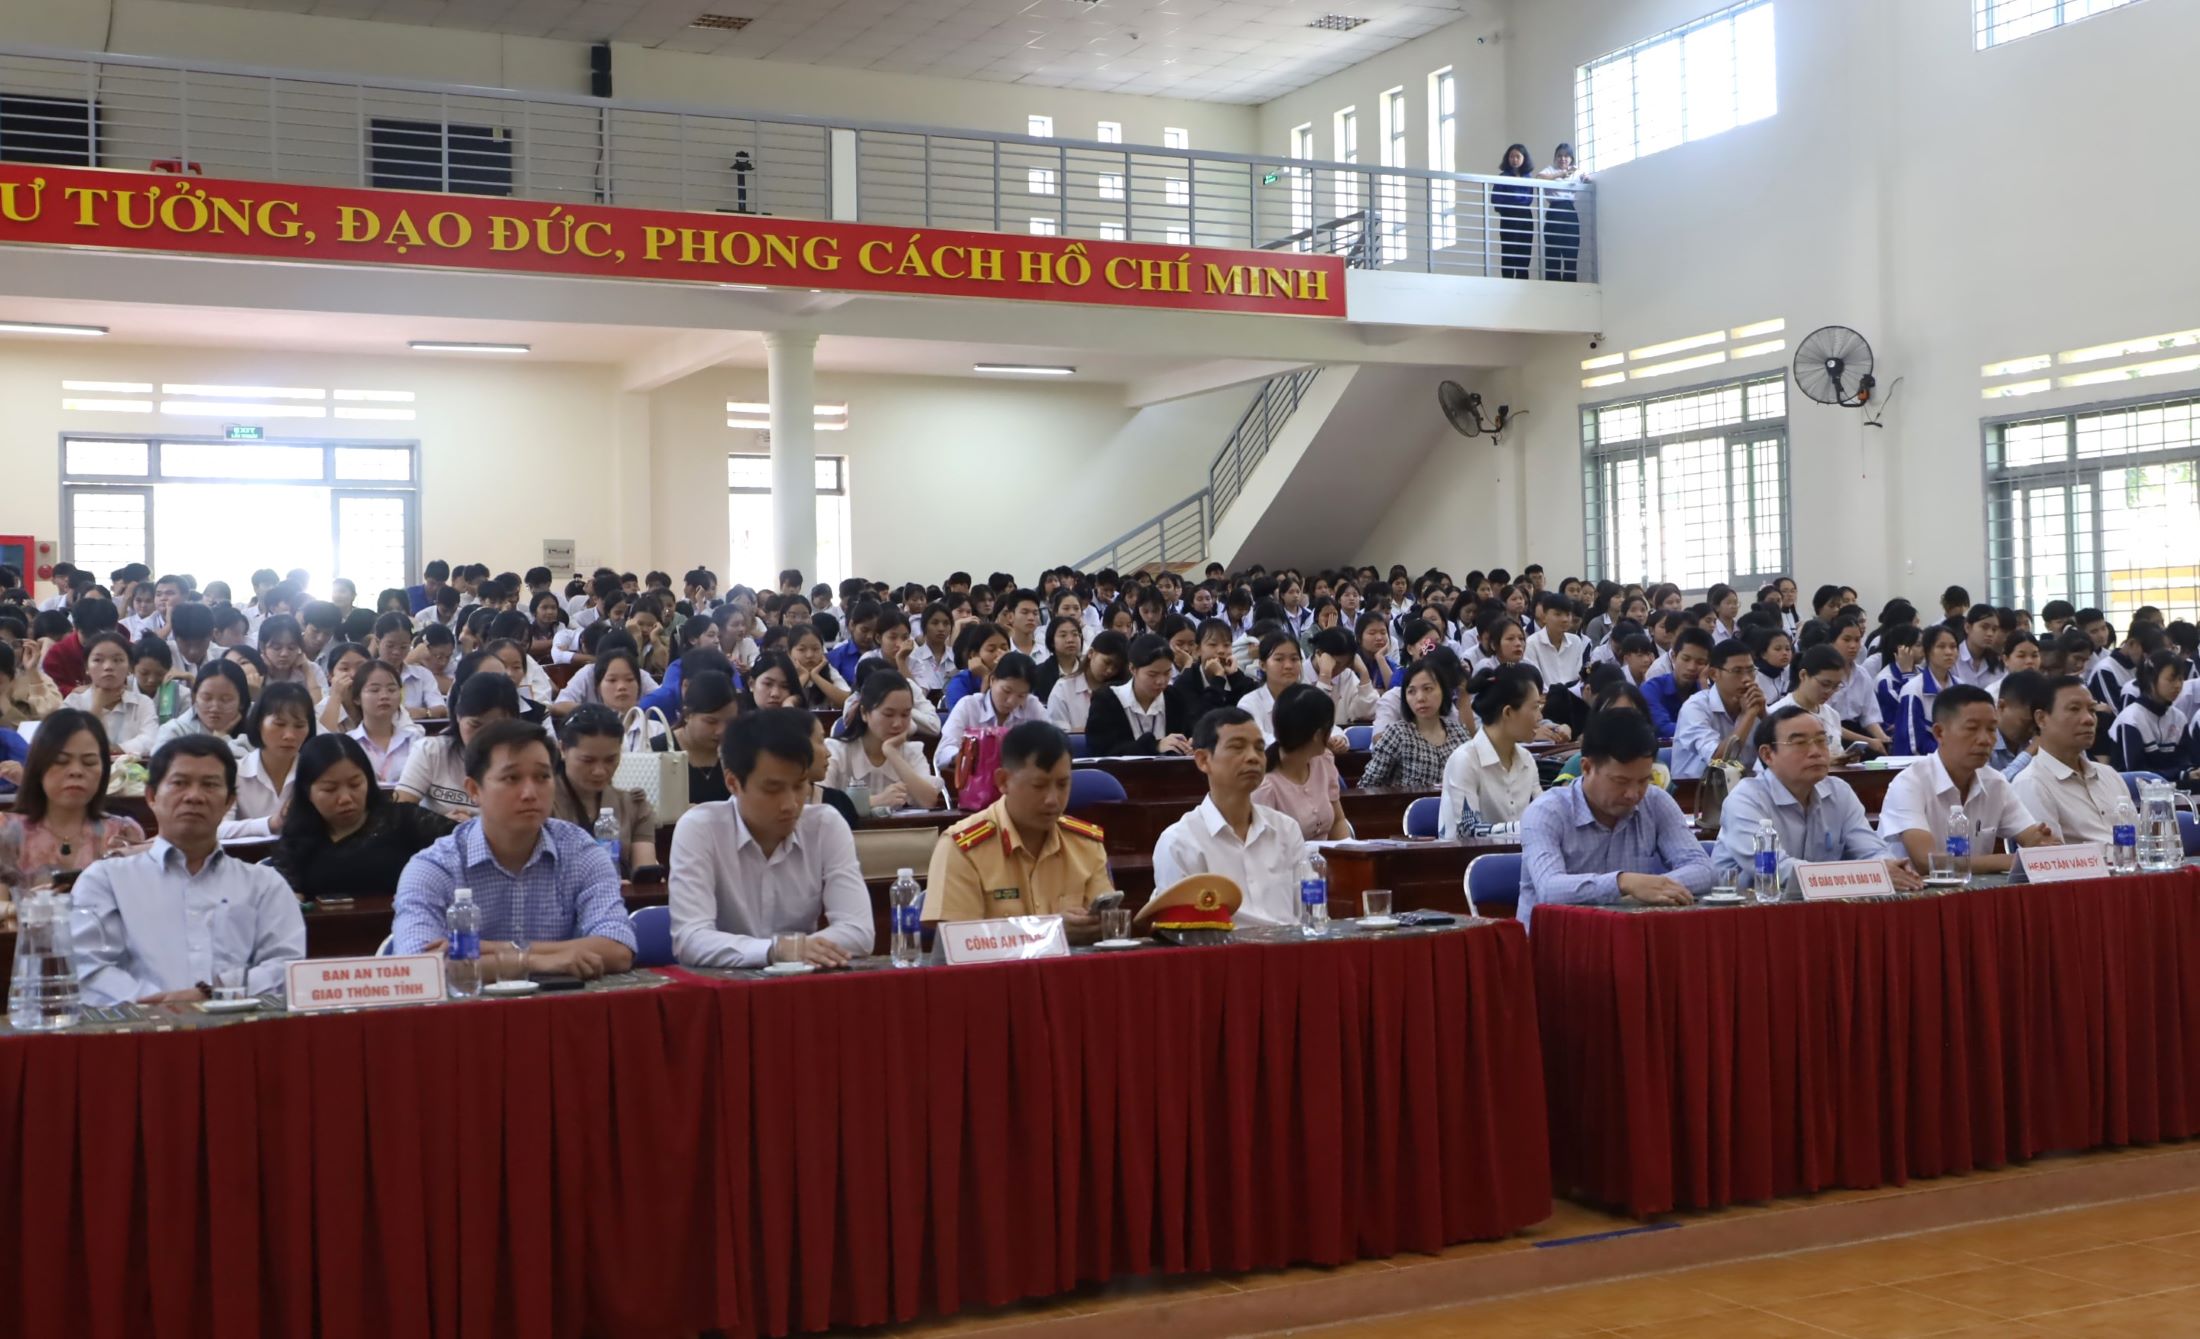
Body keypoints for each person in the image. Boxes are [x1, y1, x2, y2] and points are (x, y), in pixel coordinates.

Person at [390, 719, 637, 977]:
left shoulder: (582, 852)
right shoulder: (434, 866)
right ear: (474, 790)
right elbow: (418, 968)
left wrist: (491, 950)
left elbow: (618, 949)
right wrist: (531, 962)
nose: (530, 792)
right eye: (512, 778)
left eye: (542, 777)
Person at [69, 737, 307, 1005]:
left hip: (238, 1032)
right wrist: (161, 1002)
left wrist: (216, 992)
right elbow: (86, 968)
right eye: (179, 783)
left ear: (229, 801)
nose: (194, 796)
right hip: (138, 1035)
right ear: (151, 796)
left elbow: (287, 967)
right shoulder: (105, 880)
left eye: (210, 785)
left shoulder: (265, 884)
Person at [668, 707, 874, 968]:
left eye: (800, 786)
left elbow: (859, 931)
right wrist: (777, 950)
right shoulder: (700, 829)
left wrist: (795, 950)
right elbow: (690, 939)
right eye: (773, 789)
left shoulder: (826, 825)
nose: (790, 804)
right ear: (733, 782)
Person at [1516, 710, 1711, 930]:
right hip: (1555, 945)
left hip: (1626, 940)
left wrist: (1656, 887)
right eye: (1621, 781)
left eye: (1643, 780)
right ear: (1587, 768)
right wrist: (1623, 883)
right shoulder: (1546, 812)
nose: (1633, 794)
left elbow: (1702, 868)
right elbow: (1550, 888)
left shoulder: (1655, 801)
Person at [922, 721, 1111, 935]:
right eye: (1039, 786)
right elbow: (960, 942)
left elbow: (1107, 931)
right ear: (1003, 781)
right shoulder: (961, 849)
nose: (1052, 800)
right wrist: (1049, 931)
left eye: (1062, 785)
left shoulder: (1085, 844)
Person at [1712, 707, 1924, 896]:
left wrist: (1892, 868)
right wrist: (1871, 873)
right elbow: (1778, 871)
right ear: (1768, 755)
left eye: (1822, 740)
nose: (1815, 752)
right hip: (1753, 916)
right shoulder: (1746, 799)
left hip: (1823, 909)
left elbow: (1872, 850)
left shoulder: (1838, 791)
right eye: (1800, 743)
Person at [1152, 707, 1309, 927]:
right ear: (1203, 760)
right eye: (1237, 748)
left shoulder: (1286, 829)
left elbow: (1309, 914)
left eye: (1260, 749)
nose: (1253, 758)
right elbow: (1186, 936)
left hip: (1290, 954)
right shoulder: (1180, 842)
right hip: (1221, 957)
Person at [1878, 685, 2055, 876]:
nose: (1985, 740)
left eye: (1992, 729)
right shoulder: (1909, 783)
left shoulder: (1996, 783)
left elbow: (2033, 838)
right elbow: (1927, 861)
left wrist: (2041, 843)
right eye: (1972, 729)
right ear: (1939, 733)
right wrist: (2010, 860)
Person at [270, 733, 458, 899]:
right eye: (330, 789)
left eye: (355, 784)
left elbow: (465, 845)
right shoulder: (294, 842)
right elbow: (285, 906)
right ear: (307, 791)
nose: (345, 798)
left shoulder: (405, 820)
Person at [0, 711, 147, 902]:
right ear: (38, 767)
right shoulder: (8, 832)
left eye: (89, 762)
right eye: (61, 761)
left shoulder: (124, 833)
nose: (76, 771)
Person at [2011, 674, 2132, 845]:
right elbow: (2053, 859)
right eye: (2074, 709)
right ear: (2041, 719)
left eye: (2092, 710)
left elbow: (2137, 844)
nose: (2089, 719)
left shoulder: (2109, 775)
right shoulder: (2032, 783)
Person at [393, 670, 522, 818]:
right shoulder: (431, 751)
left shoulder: (525, 760)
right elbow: (400, 814)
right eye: (475, 725)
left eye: (497, 727)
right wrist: (443, 826)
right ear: (458, 716)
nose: (485, 736)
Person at [552, 704, 661, 878]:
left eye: (611, 759)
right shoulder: (542, 803)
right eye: (588, 760)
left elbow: (644, 874)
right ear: (562, 749)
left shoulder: (635, 805)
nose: (600, 771)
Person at [1440, 664, 1546, 839]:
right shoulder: (1464, 760)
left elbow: (1544, 814)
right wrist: (1528, 827)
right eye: (1535, 707)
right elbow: (1468, 831)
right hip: (1470, 863)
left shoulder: (1527, 760)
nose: (1540, 717)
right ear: (1508, 712)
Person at [825, 669, 944, 811]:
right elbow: (819, 803)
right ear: (864, 713)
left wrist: (891, 752)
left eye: (905, 714)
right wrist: (876, 800)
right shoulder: (835, 750)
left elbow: (928, 801)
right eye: (888, 714)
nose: (898, 724)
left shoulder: (912, 751)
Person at [1252, 683, 1353, 841]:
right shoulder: (1265, 786)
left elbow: (1338, 821)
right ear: (1318, 734)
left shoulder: (1324, 761)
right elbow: (1263, 850)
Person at [221, 680, 315, 841]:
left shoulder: (315, 771)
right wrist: (269, 823)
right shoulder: (235, 772)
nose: (289, 735)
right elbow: (218, 829)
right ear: (258, 724)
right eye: (279, 724)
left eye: (299, 726)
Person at [1361, 657, 1470, 788]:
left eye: (1428, 689)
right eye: (1411, 691)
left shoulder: (1459, 734)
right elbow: (1367, 787)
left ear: (1443, 691)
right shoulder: (1397, 734)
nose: (1420, 698)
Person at [1086, 632, 1194, 757]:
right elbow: (1102, 752)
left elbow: (1188, 734)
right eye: (1152, 674)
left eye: (1167, 673)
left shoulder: (1174, 698)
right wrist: (1155, 746)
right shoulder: (1106, 700)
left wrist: (1189, 746)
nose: (1161, 681)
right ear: (1132, 669)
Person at [938, 651, 1045, 776]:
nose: (1011, 701)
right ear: (992, 680)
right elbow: (943, 753)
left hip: (1020, 784)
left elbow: (1052, 745)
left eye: (1021, 695)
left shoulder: (1032, 706)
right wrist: (967, 756)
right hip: (976, 783)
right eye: (1006, 691)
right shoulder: (969, 706)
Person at [1671, 639, 1765, 781]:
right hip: (1697, 792)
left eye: (1751, 671)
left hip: (1747, 789)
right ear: (1714, 674)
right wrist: (1748, 715)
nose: (1747, 679)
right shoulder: (1695, 707)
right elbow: (1719, 762)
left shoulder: (1754, 703)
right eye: (1737, 671)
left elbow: (1783, 752)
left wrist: (1764, 717)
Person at [1238, 632, 1348, 753]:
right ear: (1263, 665)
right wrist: (1305, 743)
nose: (1288, 666)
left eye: (1294, 659)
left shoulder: (1306, 697)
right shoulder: (1249, 703)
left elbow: (1326, 726)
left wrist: (1338, 738)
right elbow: (1259, 739)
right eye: (1279, 659)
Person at [62, 630, 158, 756]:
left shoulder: (143, 703)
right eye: (98, 660)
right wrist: (97, 706)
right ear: (86, 667)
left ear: (130, 667)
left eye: (117, 660)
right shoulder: (73, 702)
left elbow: (151, 740)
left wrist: (112, 749)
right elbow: (66, 742)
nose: (108, 667)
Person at [2110, 651, 2199, 784]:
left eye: (2181, 679)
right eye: (2171, 679)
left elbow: (2185, 761)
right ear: (2151, 679)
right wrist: (2181, 775)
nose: (2178, 685)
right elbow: (2135, 775)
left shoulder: (2179, 718)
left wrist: (2191, 772)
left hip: (2172, 790)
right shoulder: (2131, 720)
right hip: (2133, 797)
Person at [658, 669, 741, 805]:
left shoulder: (739, 753)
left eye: (729, 722)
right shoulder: (658, 752)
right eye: (711, 722)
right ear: (687, 715)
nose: (721, 730)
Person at [1168, 618, 1258, 728]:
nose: (1221, 651)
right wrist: (1218, 679)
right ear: (1197, 650)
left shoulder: (1234, 674)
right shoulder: (1186, 681)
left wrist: (1235, 676)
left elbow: (1253, 708)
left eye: (1226, 645)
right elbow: (1202, 724)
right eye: (1213, 645)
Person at [346, 658, 423, 785]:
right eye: (374, 690)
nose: (384, 696)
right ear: (357, 698)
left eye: (392, 690)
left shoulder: (416, 740)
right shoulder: (348, 744)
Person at [1767, 644, 1851, 760]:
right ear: (1803, 675)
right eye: (1825, 684)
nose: (1829, 691)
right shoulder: (1776, 714)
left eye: (1836, 686)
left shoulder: (1832, 715)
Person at [1045, 629, 1125, 734]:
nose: (1110, 670)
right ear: (1091, 653)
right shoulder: (1063, 689)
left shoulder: (1120, 692)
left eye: (1116, 667)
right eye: (1107, 662)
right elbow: (1056, 733)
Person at [1534, 142, 1585, 280]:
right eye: (1560, 156)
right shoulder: (1551, 169)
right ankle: (1553, 284)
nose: (1563, 159)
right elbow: (1539, 178)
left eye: (1566, 156)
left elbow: (1586, 178)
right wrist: (1561, 174)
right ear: (1555, 158)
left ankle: (1571, 284)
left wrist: (1586, 178)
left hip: (1570, 210)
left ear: (1571, 158)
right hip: (1555, 210)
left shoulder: (1576, 171)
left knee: (1571, 251)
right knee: (1553, 252)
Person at [1522, 592, 1588, 691]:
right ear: (1544, 617)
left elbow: (1576, 678)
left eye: (1568, 614)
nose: (1565, 619)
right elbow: (1535, 681)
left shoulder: (1576, 641)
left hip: (1571, 698)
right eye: (1558, 614)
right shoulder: (1532, 643)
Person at [1992, 668, 2047, 777]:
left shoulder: (2037, 741)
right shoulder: (1981, 741)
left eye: (2036, 725)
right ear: (2001, 706)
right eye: (2028, 722)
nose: (2032, 730)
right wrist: (2029, 752)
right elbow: (1991, 789)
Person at [1492, 143, 1536, 280]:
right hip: (1509, 216)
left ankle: (1523, 281)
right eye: (1512, 156)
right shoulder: (1503, 176)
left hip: (1525, 216)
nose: (1515, 159)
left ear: (1524, 158)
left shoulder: (1528, 177)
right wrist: (1513, 202)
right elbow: (1495, 199)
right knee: (1509, 251)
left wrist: (1515, 200)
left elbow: (1529, 198)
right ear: (1507, 158)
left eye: (1518, 156)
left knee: (1525, 250)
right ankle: (1508, 281)